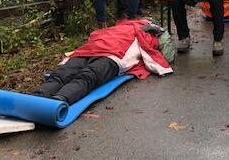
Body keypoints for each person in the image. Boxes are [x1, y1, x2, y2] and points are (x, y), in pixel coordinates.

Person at [33, 20, 173, 105]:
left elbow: (96, 34)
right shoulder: (148, 32)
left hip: (89, 50)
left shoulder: (119, 26)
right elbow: (164, 56)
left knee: (64, 73)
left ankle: (39, 96)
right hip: (113, 54)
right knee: (88, 76)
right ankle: (60, 99)